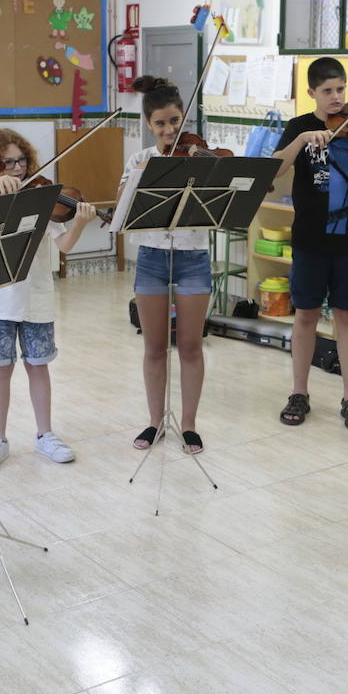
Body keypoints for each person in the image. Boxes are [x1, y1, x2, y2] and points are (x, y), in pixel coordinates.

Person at [271, 57, 348, 431]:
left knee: (347, 318)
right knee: (306, 315)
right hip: (310, 238)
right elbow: (276, 168)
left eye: (341, 89)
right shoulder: (300, 127)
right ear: (312, 92)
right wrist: (302, 140)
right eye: (328, 91)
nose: (337, 97)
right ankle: (299, 392)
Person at [0, 128, 96, 471]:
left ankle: (45, 435)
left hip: (35, 295)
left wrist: (79, 224)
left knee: (38, 365)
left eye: (21, 160)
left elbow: (63, 246)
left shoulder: (40, 197)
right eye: (8, 162)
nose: (18, 167)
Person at [120, 75, 213, 455]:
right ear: (149, 124)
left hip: (193, 258)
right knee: (154, 347)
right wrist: (138, 181)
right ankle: (156, 420)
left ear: (183, 119)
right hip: (152, 258)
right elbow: (124, 211)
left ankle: (188, 425)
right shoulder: (141, 160)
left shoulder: (199, 157)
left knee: (190, 346)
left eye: (175, 121)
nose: (169, 129)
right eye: (160, 123)